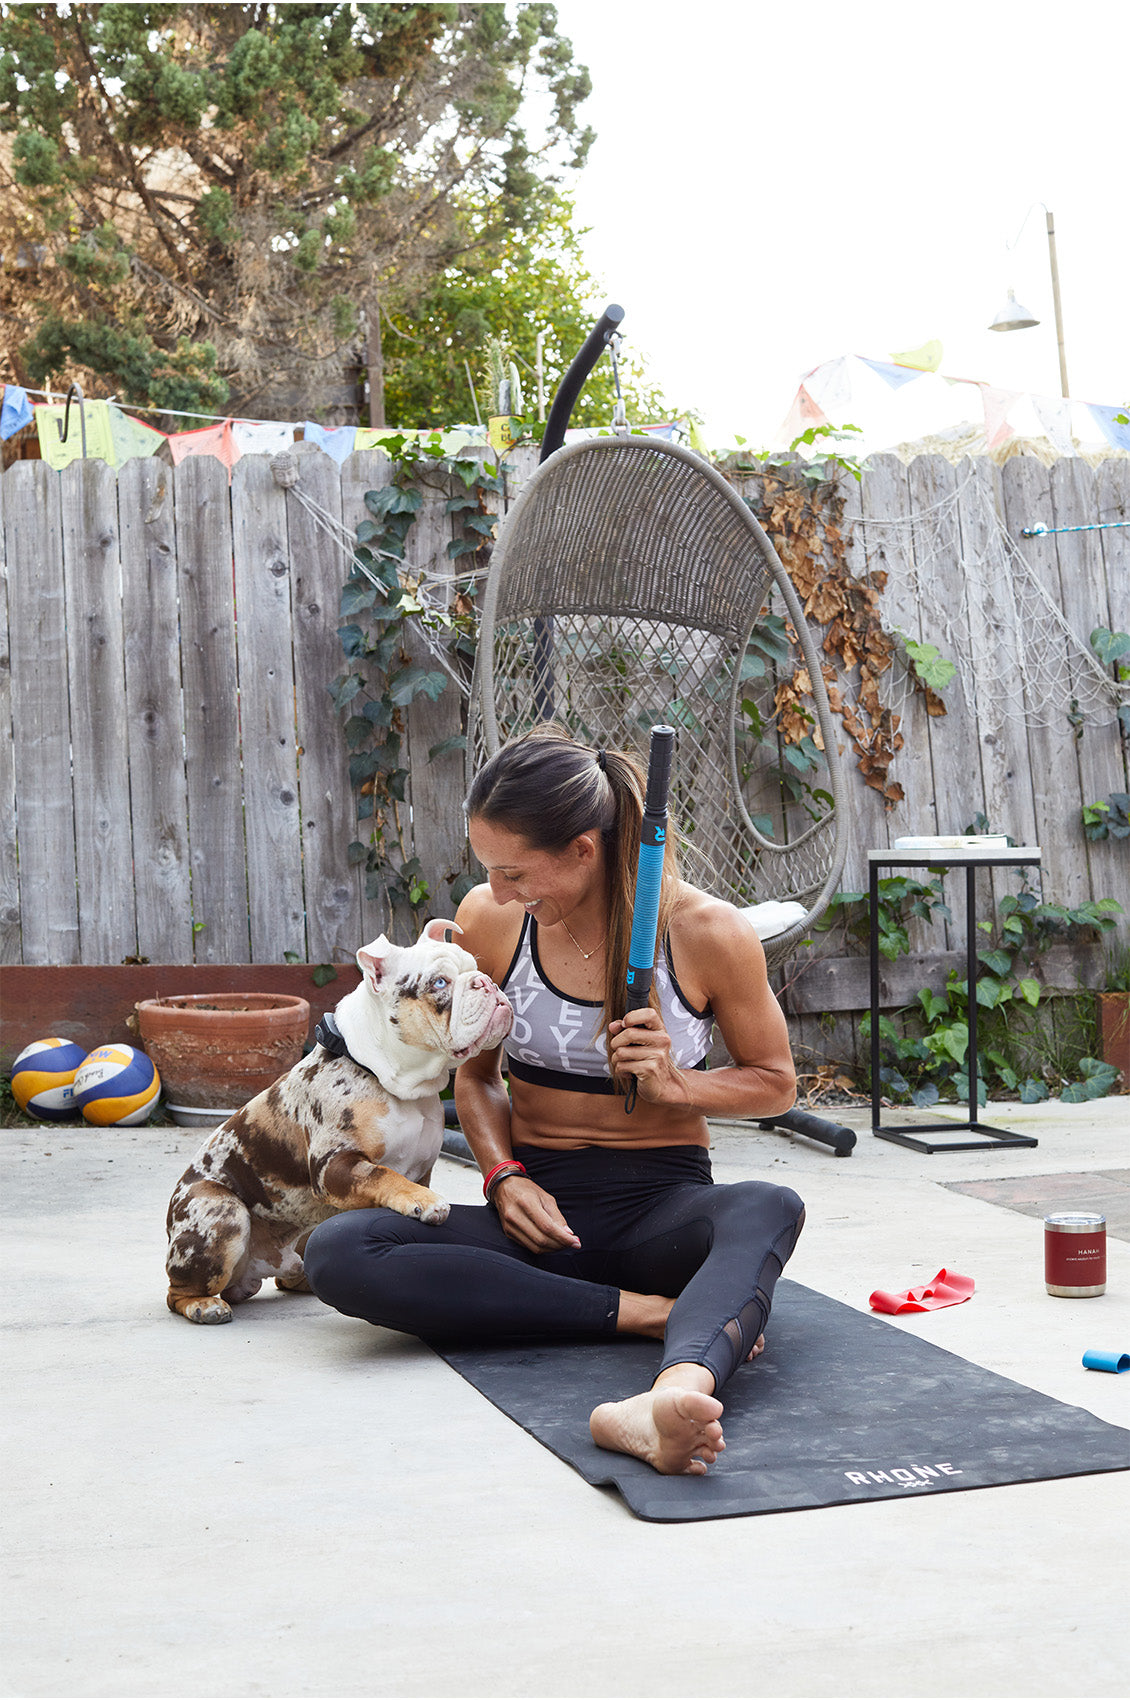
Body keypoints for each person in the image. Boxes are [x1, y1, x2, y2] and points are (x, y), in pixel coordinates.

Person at [303, 725, 805, 1476]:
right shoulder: (498, 920)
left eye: (513, 872)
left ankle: (667, 1398)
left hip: (660, 1216)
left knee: (768, 1206)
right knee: (340, 1250)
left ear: (582, 849)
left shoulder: (705, 931)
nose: (495, 893)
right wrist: (503, 1176)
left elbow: (775, 1081)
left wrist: (677, 1085)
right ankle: (648, 1317)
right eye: (490, 872)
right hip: (538, 1218)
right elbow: (472, 1077)